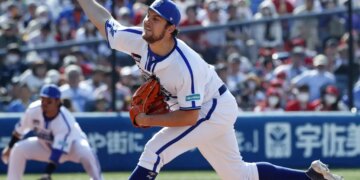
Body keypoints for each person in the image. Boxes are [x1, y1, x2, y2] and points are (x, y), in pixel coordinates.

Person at [76, 0, 343, 179]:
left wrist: (148, 119)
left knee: (154, 151)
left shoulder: (184, 67)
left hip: (211, 108)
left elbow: (190, 117)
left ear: (171, 29)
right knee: (238, 174)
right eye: (149, 15)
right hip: (206, 103)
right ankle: (311, 177)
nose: (148, 21)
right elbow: (106, 22)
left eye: (157, 20)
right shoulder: (137, 39)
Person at [1, 84, 103, 180]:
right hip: (45, 146)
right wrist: (9, 147)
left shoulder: (65, 121)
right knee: (18, 149)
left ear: (58, 102)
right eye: (42, 100)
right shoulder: (33, 110)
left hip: (73, 147)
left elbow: (58, 152)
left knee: (86, 152)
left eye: (49, 101)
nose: (44, 104)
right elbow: (20, 130)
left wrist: (47, 173)